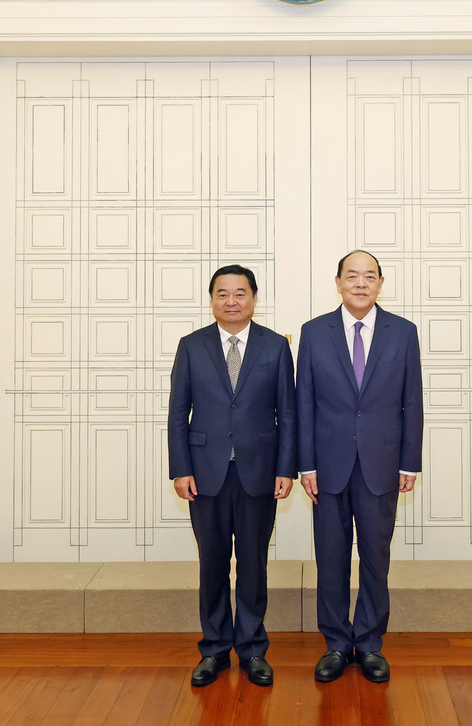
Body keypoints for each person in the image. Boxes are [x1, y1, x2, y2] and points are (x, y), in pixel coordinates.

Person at [297, 250, 423, 684]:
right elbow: (304, 401)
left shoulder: (402, 332)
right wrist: (305, 464)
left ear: (380, 284)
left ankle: (369, 642)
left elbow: (412, 401)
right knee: (331, 559)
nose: (361, 283)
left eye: (370, 276)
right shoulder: (314, 332)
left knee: (374, 558)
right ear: (338, 282)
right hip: (327, 466)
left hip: (381, 464)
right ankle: (335, 643)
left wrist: (409, 462)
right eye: (352, 276)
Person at [168, 264, 296, 687]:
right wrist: (181, 469)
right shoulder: (192, 346)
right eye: (222, 293)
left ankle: (253, 650)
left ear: (254, 298)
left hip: (259, 471)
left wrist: (286, 468)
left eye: (240, 293)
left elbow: (288, 413)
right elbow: (177, 413)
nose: (231, 301)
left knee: (254, 564)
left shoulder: (275, 346)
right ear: (212, 300)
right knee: (213, 564)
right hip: (205, 474)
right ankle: (214, 650)